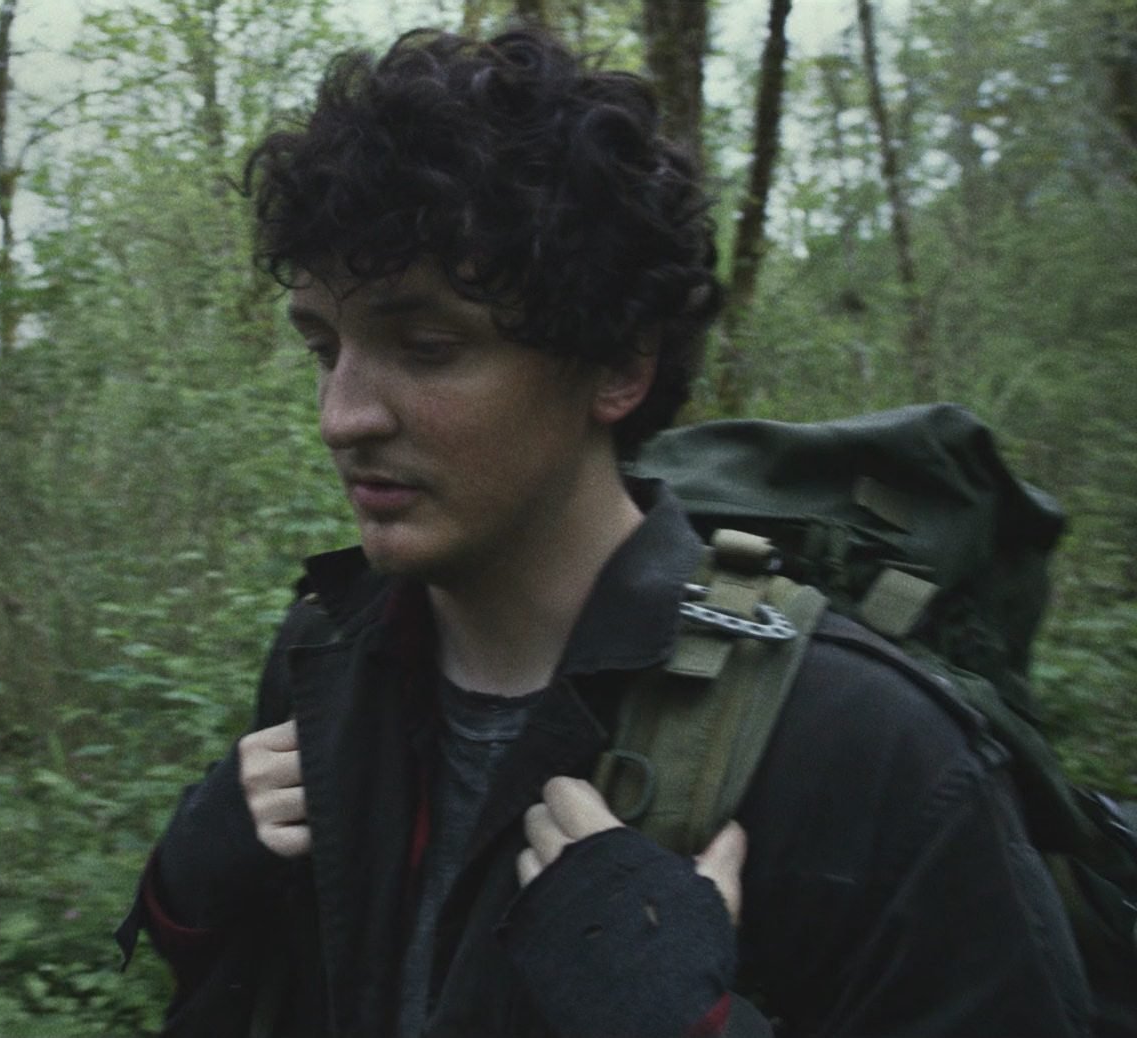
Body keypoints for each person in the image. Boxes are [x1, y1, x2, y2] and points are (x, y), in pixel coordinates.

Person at [117, 26, 1091, 1038]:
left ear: (619, 365)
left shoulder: (868, 750)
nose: (341, 416)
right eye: (326, 348)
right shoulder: (325, 658)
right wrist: (189, 898)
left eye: (429, 346)